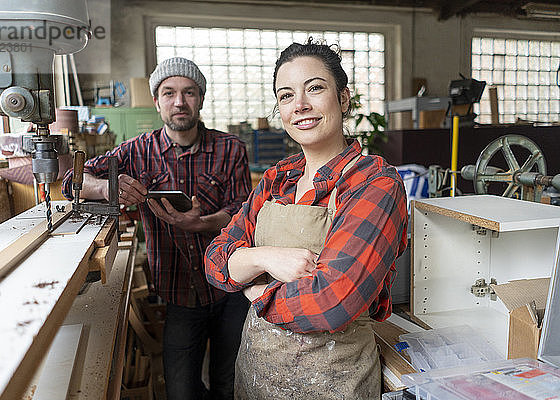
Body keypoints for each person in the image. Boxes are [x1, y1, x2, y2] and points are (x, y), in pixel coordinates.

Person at [204, 39, 408, 399]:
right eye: (286, 96)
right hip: (255, 376)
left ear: (343, 99)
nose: (300, 106)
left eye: (314, 88)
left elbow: (332, 301)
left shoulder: (374, 184)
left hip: (334, 383)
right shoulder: (275, 180)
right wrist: (264, 257)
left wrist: (256, 291)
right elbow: (216, 260)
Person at [62, 57, 252, 400]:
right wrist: (107, 188)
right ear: (156, 101)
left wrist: (202, 224)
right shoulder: (135, 152)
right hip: (179, 293)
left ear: (201, 98)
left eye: (189, 92)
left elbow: (241, 211)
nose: (179, 102)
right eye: (169, 93)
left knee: (230, 385)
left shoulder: (230, 148)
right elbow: (71, 182)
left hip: (231, 289)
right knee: (180, 391)